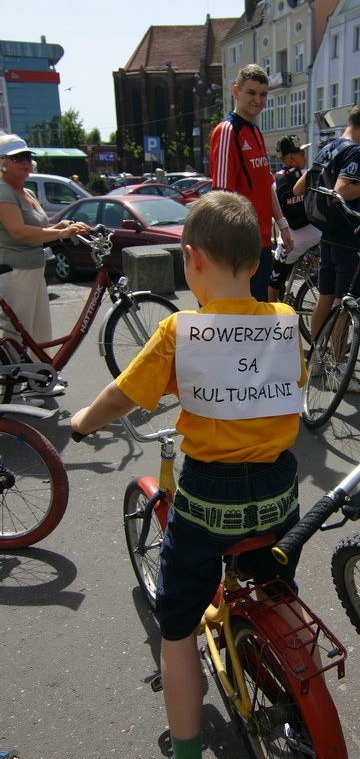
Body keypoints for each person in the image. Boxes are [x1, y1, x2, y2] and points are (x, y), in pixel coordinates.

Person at [70, 191, 307, 759]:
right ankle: (299, 669)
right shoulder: (284, 321)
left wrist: (81, 422)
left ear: (191, 258)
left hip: (208, 497)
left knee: (176, 629)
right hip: (279, 491)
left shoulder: (181, 330)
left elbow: (121, 396)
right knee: (276, 580)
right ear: (255, 262)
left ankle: (186, 749)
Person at [293, 102, 360, 393]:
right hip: (348, 237)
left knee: (326, 298)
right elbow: (343, 190)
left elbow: (298, 189)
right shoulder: (356, 152)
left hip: (327, 235)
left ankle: (317, 360)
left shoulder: (327, 148)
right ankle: (341, 367)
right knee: (347, 305)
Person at [0, 134, 88, 365]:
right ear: (2, 162)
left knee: (40, 329)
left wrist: (61, 226)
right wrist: (59, 234)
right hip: (16, 271)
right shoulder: (3, 191)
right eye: (17, 158)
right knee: (18, 332)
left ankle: (40, 377)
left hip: (34, 268)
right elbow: (18, 231)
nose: (26, 162)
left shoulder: (25, 192)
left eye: (28, 156)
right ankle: (15, 389)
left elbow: (40, 227)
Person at [209, 63, 293, 302]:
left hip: (263, 241)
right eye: (251, 93)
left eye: (263, 94)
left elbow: (268, 185)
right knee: (239, 319)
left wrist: (283, 224)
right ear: (236, 91)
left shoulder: (255, 132)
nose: (258, 100)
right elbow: (222, 198)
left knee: (256, 313)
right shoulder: (227, 131)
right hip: (241, 244)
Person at [267, 134, 321, 302]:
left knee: (273, 281)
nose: (304, 156)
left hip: (294, 237)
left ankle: (271, 314)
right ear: (290, 158)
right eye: (301, 153)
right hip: (316, 231)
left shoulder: (276, 181)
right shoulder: (308, 175)